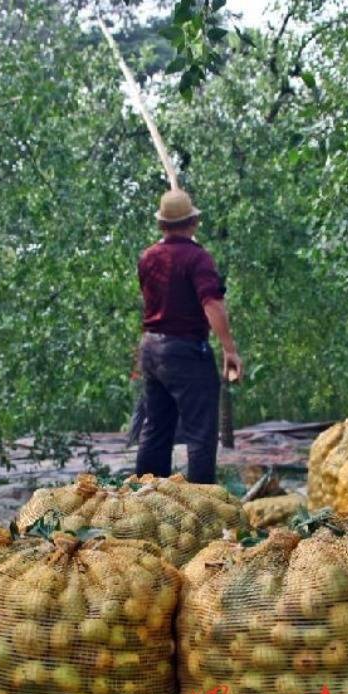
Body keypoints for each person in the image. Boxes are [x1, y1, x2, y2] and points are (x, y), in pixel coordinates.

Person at [135, 188, 243, 484]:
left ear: (162, 224)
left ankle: (144, 500)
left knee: (156, 428)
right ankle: (200, 507)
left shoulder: (148, 258)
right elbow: (212, 304)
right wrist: (229, 349)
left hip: (151, 348)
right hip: (184, 350)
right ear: (193, 223)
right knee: (200, 432)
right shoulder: (198, 259)